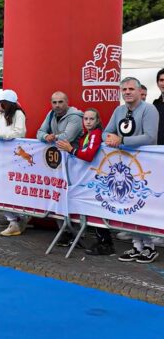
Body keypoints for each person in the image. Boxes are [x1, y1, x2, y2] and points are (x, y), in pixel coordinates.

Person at [104, 77, 160, 263]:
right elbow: (106, 131)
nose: (127, 92)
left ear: (138, 91)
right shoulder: (119, 110)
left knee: (144, 204)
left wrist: (121, 141)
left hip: (145, 165)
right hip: (124, 165)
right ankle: (136, 245)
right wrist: (111, 138)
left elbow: (150, 136)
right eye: (124, 89)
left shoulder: (148, 109)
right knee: (129, 204)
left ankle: (150, 246)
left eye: (130, 89)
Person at [54, 108, 111, 254]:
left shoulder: (95, 134)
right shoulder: (88, 134)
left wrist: (70, 149)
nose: (88, 122)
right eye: (86, 119)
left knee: (96, 209)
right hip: (88, 178)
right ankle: (85, 237)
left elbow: (89, 155)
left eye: (92, 119)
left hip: (94, 179)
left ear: (97, 121)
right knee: (88, 208)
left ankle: (105, 242)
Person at [0, 90, 29, 236]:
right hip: (1, 158)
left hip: (15, 159)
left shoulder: (19, 115)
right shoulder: (0, 116)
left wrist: (0, 134)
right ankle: (14, 219)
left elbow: (19, 133)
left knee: (13, 188)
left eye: (1, 102)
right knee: (0, 189)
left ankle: (18, 219)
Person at [152, 68, 164, 145]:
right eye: (161, 80)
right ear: (157, 83)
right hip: (157, 150)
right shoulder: (155, 104)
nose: (163, 83)